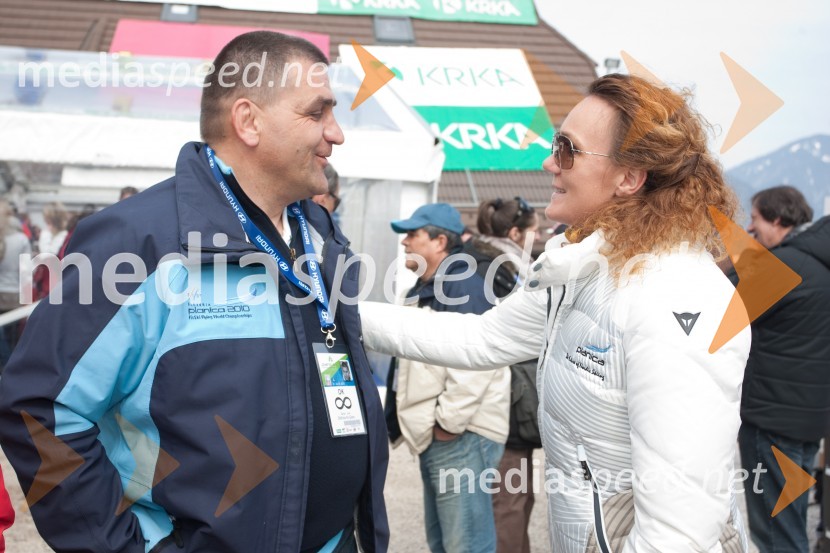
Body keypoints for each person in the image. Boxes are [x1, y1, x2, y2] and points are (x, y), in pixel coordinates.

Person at [0, 31, 388, 553]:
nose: (336, 133)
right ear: (248, 121)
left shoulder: (318, 234)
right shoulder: (139, 243)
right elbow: (37, 409)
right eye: (317, 113)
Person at [361, 74, 751, 552]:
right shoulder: (583, 267)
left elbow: (679, 533)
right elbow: (481, 339)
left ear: (629, 178)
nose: (549, 162)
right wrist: (341, 314)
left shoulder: (675, 293)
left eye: (567, 149)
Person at [384, 203, 510, 553]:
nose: (405, 242)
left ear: (440, 242)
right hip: (442, 434)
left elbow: (476, 363)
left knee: (465, 544)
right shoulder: (429, 287)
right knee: (445, 542)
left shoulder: (462, 285)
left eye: (413, 234)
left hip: (460, 435)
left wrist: (448, 425)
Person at [734, 185, 830, 553]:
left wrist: (735, 258)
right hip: (808, 421)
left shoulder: (784, 266)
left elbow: (714, 308)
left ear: (776, 219)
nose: (750, 228)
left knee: (776, 535)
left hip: (772, 422)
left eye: (755, 219)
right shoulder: (819, 262)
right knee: (792, 523)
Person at [474, 197, 540, 553]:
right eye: (533, 230)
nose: (540, 235)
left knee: (517, 497)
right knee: (509, 502)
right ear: (514, 233)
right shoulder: (501, 269)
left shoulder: (490, 260)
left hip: (512, 396)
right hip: (506, 398)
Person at [0, 200, 31, 370]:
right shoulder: (21, 239)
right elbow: (26, 273)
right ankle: (9, 371)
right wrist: (27, 301)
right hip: (14, 297)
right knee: (12, 341)